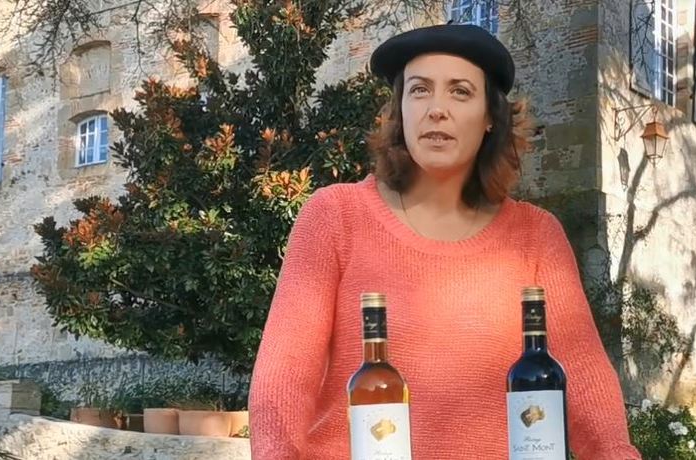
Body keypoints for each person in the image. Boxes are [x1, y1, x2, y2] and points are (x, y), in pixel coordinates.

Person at [248, 24, 642, 459]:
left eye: (460, 92)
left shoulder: (536, 236)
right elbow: (284, 378)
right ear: (400, 110)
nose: (437, 109)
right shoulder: (335, 216)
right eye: (419, 90)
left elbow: (586, 383)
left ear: (490, 117)